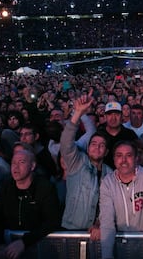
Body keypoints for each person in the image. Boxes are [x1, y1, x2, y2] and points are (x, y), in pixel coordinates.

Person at [0, 142, 61, 259]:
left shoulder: (45, 187)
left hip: (38, 247)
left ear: (32, 166)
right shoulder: (6, 186)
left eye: (21, 162)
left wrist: (24, 242)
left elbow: (52, 221)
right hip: (8, 248)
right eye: (13, 163)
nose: (15, 167)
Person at [59, 91, 113, 239]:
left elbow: (109, 205)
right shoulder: (77, 162)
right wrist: (78, 113)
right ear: (88, 148)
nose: (97, 147)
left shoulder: (110, 174)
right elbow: (66, 143)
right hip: (70, 229)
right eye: (94, 144)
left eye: (102, 145)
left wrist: (100, 222)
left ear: (106, 151)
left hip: (95, 232)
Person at [97, 101, 138, 169]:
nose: (113, 118)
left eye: (116, 114)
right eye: (110, 114)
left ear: (121, 116)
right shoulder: (99, 135)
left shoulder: (130, 135)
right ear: (105, 116)